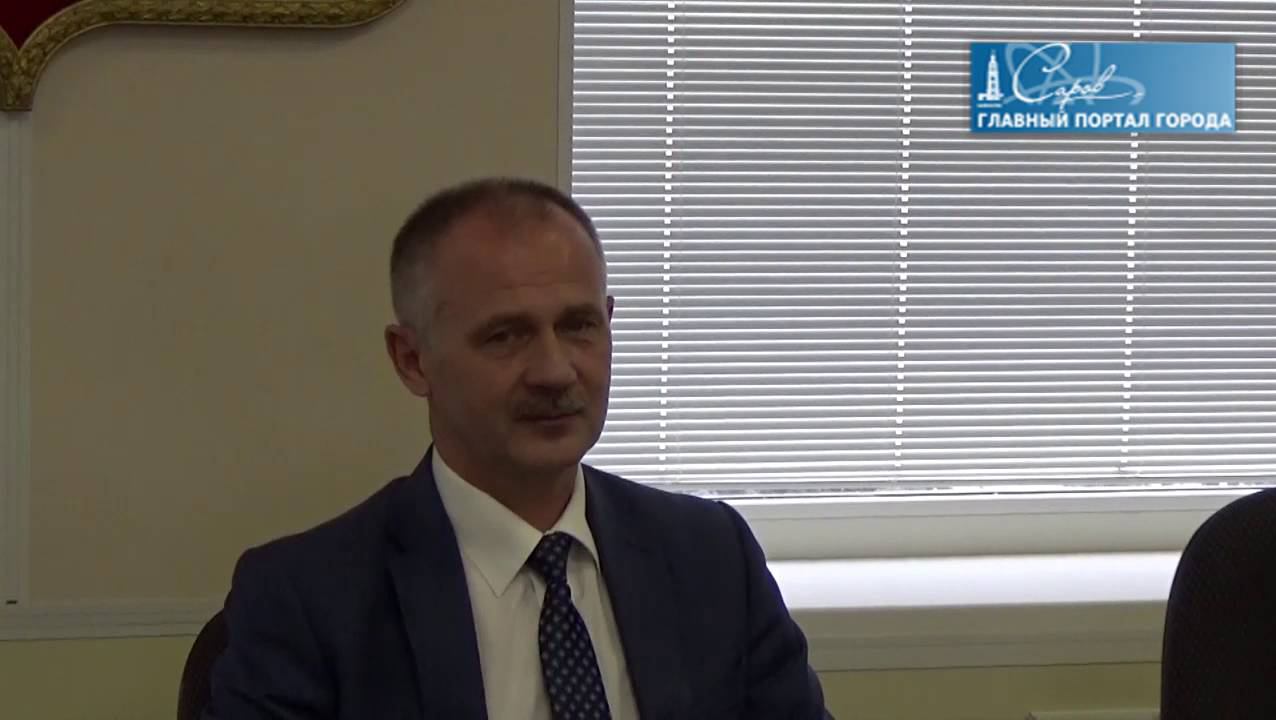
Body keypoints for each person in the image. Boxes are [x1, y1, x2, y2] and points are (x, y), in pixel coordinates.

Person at [204, 177, 832, 719]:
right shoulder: (306, 600)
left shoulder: (711, 557)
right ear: (412, 360)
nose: (555, 371)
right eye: (505, 336)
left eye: (579, 326)